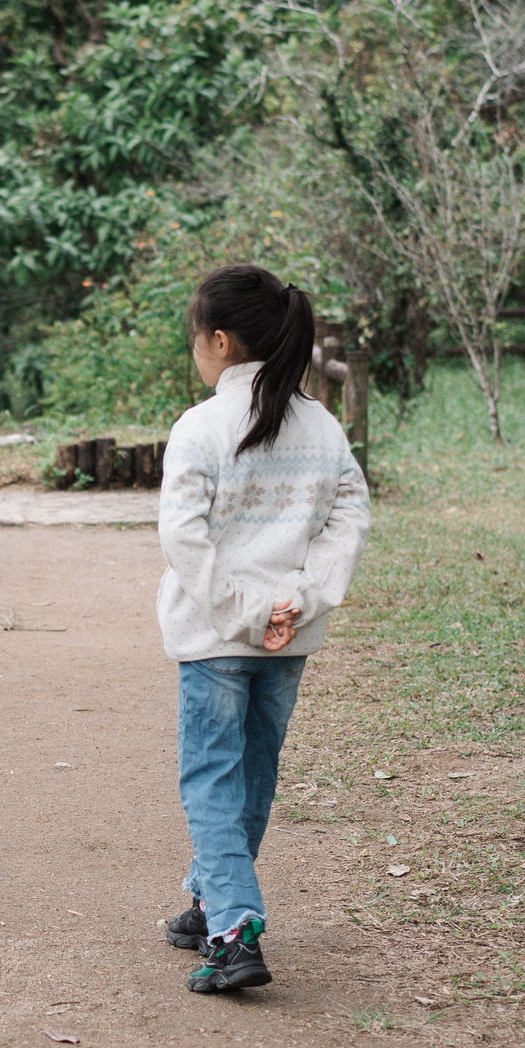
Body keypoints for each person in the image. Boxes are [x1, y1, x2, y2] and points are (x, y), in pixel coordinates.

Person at [155, 265, 370, 994]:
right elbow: (351, 514)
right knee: (251, 775)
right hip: (287, 639)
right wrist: (302, 599)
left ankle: (234, 928)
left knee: (212, 780)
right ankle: (208, 899)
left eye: (196, 339)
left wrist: (245, 611)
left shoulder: (200, 427)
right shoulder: (323, 425)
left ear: (219, 340)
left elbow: (184, 540)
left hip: (218, 636)